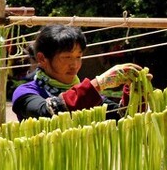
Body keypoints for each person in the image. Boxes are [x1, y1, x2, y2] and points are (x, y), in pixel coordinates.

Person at [11, 25, 143, 121]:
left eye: (78, 57)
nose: (75, 65)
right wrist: (98, 83)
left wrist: (135, 91)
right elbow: (46, 113)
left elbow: (124, 121)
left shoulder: (90, 98)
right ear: (42, 59)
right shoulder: (25, 92)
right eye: (67, 57)